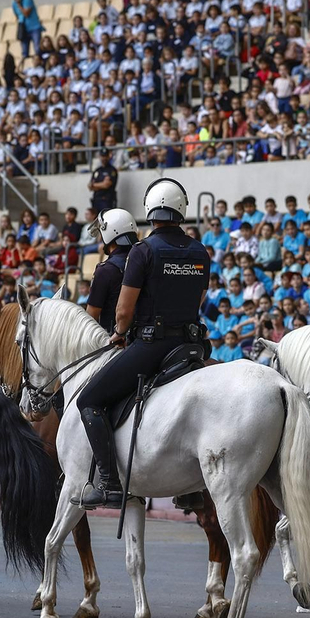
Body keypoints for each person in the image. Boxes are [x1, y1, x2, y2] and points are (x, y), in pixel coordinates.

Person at [75, 178, 210, 509]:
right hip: (192, 346)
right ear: (181, 210)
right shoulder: (200, 250)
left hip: (153, 347)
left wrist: (120, 331)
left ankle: (108, 481)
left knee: (89, 400)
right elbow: (200, 298)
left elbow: (123, 311)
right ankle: (191, 487)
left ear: (150, 211)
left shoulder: (143, 250)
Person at [87, 209, 139, 332]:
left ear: (109, 233)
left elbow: (91, 317)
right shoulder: (146, 259)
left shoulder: (105, 270)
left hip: (114, 340)